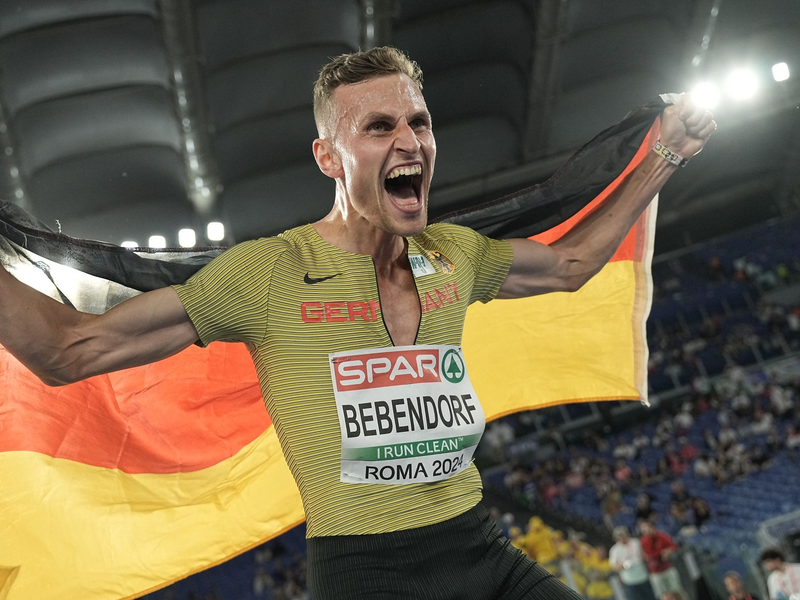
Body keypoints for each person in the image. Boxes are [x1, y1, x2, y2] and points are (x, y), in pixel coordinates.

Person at [0, 46, 715, 599]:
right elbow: (70, 349)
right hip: (367, 577)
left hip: (482, 555)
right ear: (329, 158)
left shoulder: (456, 256)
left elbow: (570, 266)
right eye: (379, 127)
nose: (411, 141)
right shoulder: (268, 274)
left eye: (420, 122)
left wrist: (668, 153)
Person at [639, 519, 689, 600]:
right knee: (662, 594)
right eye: (643, 529)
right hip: (655, 571)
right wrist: (661, 552)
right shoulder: (643, 540)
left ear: (653, 527)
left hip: (667, 567)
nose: (645, 530)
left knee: (677, 591)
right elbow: (649, 554)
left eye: (647, 527)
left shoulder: (662, 536)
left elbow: (674, 546)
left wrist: (668, 551)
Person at [609, 526, 657, 600]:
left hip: (642, 575)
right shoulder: (615, 550)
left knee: (650, 597)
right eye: (619, 537)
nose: (622, 538)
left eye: (623, 536)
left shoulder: (636, 542)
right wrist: (621, 566)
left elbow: (645, 554)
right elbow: (613, 565)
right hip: (629, 579)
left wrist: (644, 557)